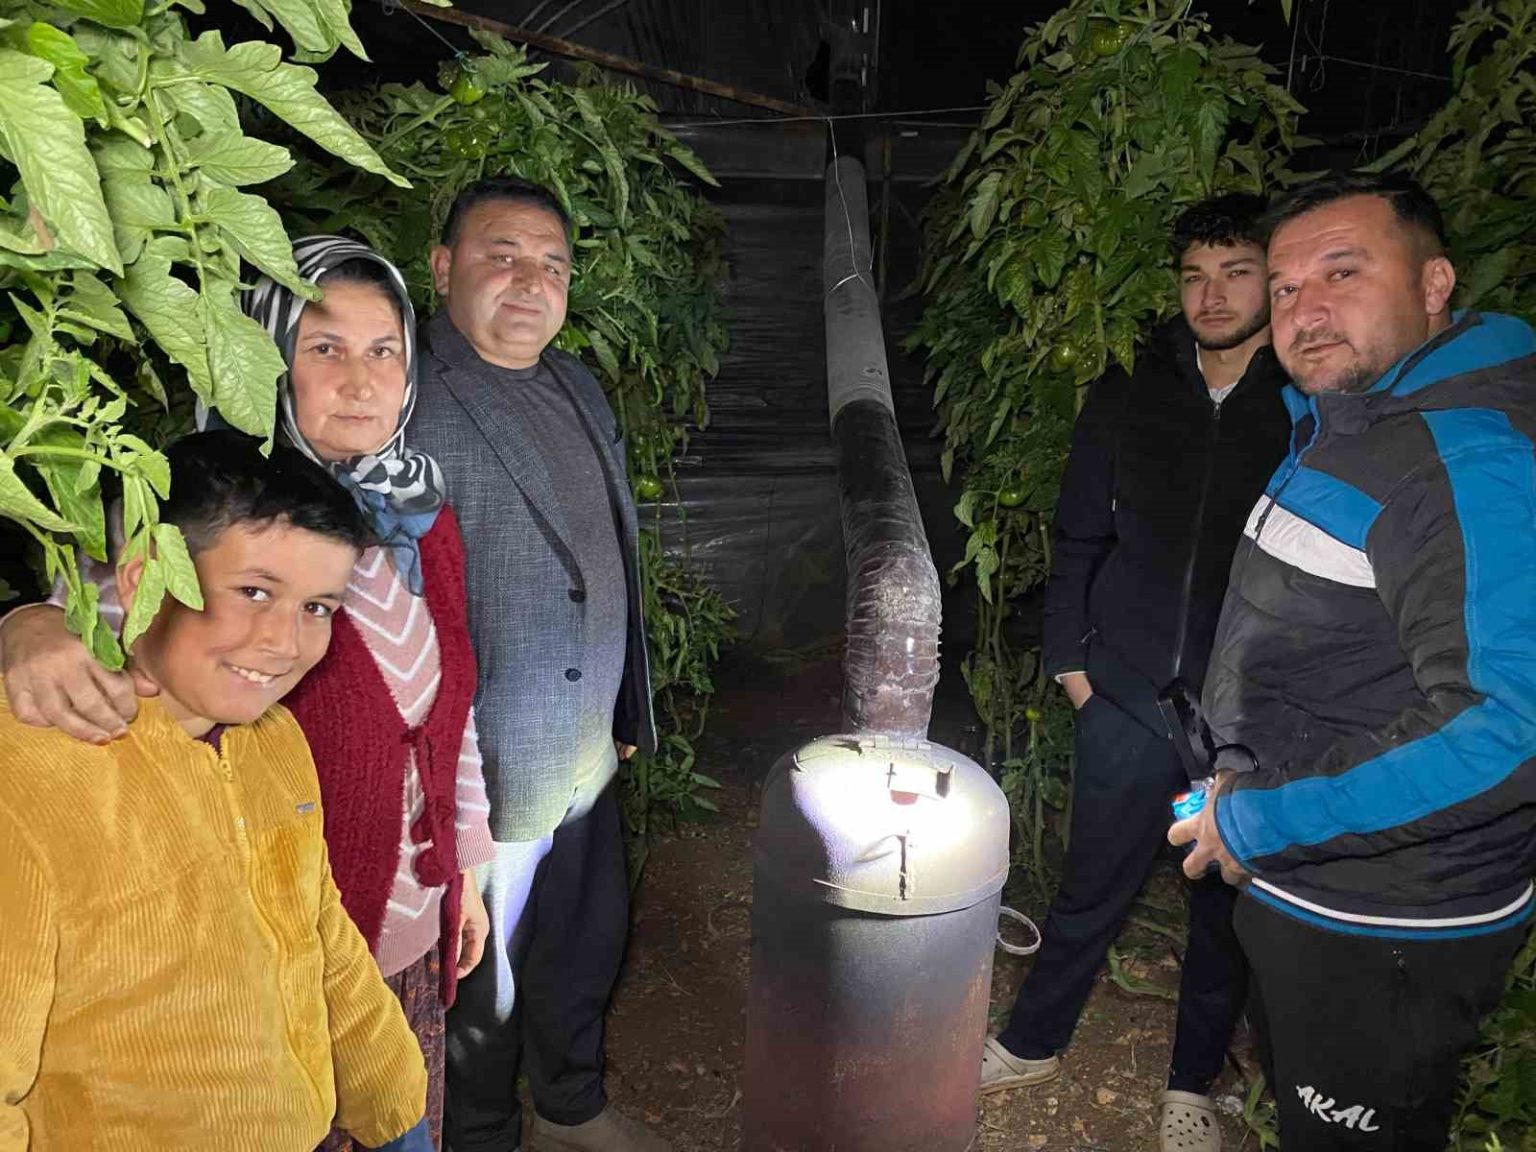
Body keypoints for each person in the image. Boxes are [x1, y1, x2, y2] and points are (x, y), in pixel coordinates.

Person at [0, 237, 496, 1152]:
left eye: (384, 350)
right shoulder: (188, 513)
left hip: (375, 933)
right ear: (260, 357)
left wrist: (460, 871)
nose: (361, 381)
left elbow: (446, 714)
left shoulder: (417, 515)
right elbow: (76, 647)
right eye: (324, 347)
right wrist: (21, 621)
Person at [1172, 173, 1536, 1150]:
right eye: (1287, 287)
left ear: (1434, 283)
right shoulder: (1351, 419)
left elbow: (1508, 731)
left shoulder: (1463, 461)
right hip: (1313, 882)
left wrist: (1259, 819)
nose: (1306, 309)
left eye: (1343, 272)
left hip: (1385, 921)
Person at [0, 431, 432, 1151]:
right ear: (144, 578)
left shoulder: (275, 741)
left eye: (317, 608)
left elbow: (323, 942)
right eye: (254, 591)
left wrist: (396, 1111)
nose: (283, 642)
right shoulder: (29, 776)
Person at [981, 194, 1292, 1152]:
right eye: (1195, 276)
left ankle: (1192, 1085)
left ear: (1272, 282)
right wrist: (1072, 667)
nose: (1213, 295)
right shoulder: (1128, 389)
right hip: (1122, 696)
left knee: (1223, 908)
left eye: (1235, 273)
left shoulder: (1307, 402)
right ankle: (1032, 1041)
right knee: (1091, 884)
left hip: (1246, 715)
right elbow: (1078, 534)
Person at [405, 177, 661, 1152]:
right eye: (502, 255)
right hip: (484, 765)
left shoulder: (575, 384)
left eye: (552, 264)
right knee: (481, 984)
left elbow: (608, 555)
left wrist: (624, 711)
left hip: (586, 748)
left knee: (582, 942)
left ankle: (571, 1102)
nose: (530, 281)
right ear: (443, 268)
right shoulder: (406, 395)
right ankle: (481, 1135)